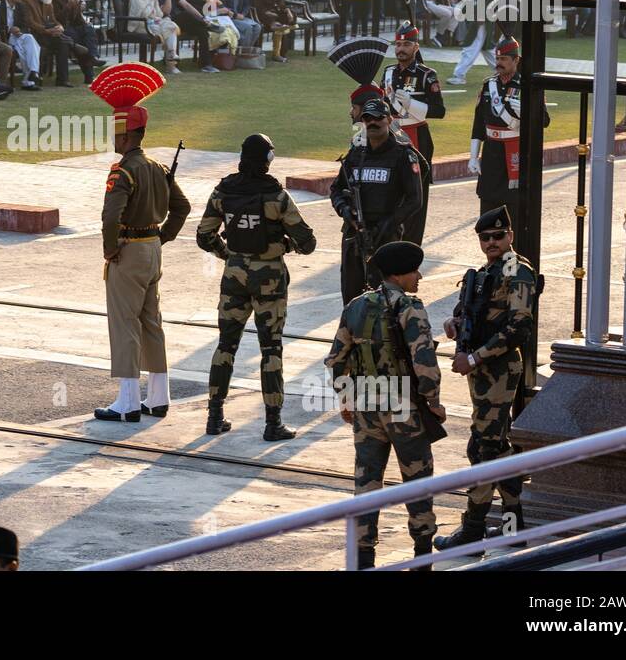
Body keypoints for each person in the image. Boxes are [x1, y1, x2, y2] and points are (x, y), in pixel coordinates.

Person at [325, 240, 446, 570]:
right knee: (418, 483)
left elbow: (336, 359)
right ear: (399, 274)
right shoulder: (410, 308)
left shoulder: (356, 306)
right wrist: (433, 401)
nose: (419, 276)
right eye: (414, 271)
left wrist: (346, 398)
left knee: (367, 483)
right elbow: (425, 362)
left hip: (366, 406)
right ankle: (422, 556)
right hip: (404, 408)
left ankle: (364, 557)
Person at [195, 133, 317, 441]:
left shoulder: (224, 191)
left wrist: (229, 256)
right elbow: (307, 241)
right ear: (267, 161)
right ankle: (273, 422)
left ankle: (214, 416)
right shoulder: (275, 196)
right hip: (270, 278)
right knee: (271, 348)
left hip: (233, 275)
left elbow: (204, 235)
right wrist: (285, 246)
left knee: (226, 344)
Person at [435, 205, 540, 552]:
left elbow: (518, 327)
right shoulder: (487, 271)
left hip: (497, 369)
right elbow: (474, 311)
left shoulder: (517, 271)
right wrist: (455, 323)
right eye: (485, 237)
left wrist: (475, 357)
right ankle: (513, 528)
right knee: (499, 448)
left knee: (482, 448)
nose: (492, 242)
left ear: (510, 236)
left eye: (498, 236)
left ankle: (473, 530)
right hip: (480, 371)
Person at [93, 64, 190, 421]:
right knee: (152, 322)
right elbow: (182, 207)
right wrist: (163, 237)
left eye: (115, 133)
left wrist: (110, 249)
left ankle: (128, 402)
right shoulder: (159, 167)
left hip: (129, 252)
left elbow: (110, 217)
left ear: (125, 135)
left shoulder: (123, 171)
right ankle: (159, 397)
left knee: (125, 324)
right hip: (152, 250)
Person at [330, 97, 423, 305]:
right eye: (367, 119)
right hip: (355, 236)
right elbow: (336, 189)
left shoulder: (404, 155)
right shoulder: (355, 155)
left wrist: (388, 224)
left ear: (389, 119)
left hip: (386, 238)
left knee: (386, 301)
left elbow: (415, 200)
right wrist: (345, 211)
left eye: (378, 118)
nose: (372, 123)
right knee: (352, 299)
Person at [469, 36, 549, 234]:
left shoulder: (528, 86)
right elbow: (479, 123)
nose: (499, 63)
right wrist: (473, 155)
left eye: (504, 59)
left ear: (516, 60)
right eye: (498, 58)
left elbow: (545, 121)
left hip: (515, 154)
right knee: (487, 207)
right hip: (490, 154)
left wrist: (527, 113)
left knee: (514, 211)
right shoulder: (488, 85)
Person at [380, 21, 445, 243]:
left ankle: (411, 246)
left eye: (406, 44)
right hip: (391, 137)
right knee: (389, 192)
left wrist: (412, 104)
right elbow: (381, 106)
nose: (401, 49)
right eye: (398, 44)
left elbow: (439, 110)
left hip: (418, 138)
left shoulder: (427, 75)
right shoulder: (388, 72)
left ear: (416, 47)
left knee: (417, 197)